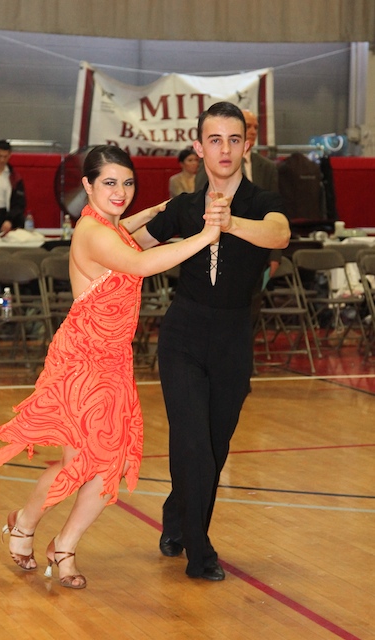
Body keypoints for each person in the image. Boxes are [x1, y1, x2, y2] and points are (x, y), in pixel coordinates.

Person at [0, 144, 223, 590]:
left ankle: (64, 546)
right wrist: (204, 237)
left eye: (128, 183)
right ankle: (24, 522)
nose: (121, 192)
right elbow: (138, 262)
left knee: (108, 464)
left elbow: (124, 233)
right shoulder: (93, 233)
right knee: (77, 462)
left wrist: (151, 212)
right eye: (110, 183)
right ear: (88, 185)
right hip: (81, 360)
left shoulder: (106, 225)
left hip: (114, 361)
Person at [132, 102, 290, 581]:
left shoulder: (261, 202)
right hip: (183, 335)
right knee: (192, 444)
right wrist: (147, 212)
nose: (225, 149)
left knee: (214, 446)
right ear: (199, 148)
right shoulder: (183, 206)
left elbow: (280, 235)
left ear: (246, 146)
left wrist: (228, 222)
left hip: (232, 339)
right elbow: (130, 244)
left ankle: (177, 515)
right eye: (214, 140)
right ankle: (199, 553)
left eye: (234, 140)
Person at [195, 109, 278, 193]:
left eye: (256, 128)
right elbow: (200, 192)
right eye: (248, 126)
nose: (253, 132)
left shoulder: (268, 166)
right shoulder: (211, 161)